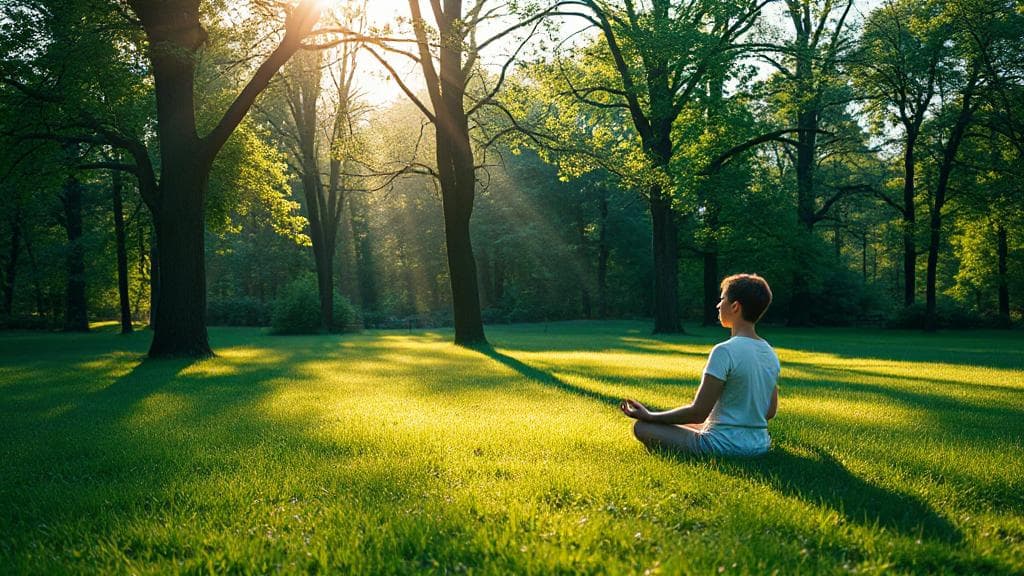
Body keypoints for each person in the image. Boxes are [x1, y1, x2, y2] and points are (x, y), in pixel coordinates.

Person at [620, 273, 780, 457]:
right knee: (677, 423)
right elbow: (769, 412)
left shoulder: (724, 351)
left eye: (722, 299)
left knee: (643, 427)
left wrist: (650, 416)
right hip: (759, 444)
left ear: (735, 307)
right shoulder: (770, 353)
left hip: (723, 446)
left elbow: (698, 413)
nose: (718, 305)